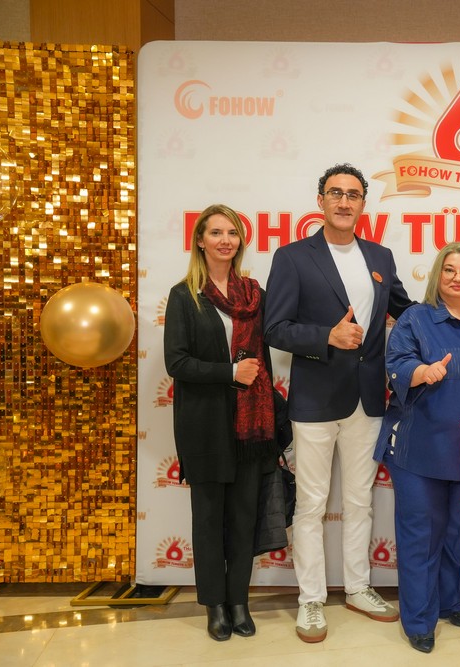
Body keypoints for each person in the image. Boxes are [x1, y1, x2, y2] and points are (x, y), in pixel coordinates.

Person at [264, 163, 411, 642]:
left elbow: (406, 312)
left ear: (363, 204)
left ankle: (358, 587)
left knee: (359, 501)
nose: (344, 202)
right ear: (321, 201)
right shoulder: (292, 257)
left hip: (368, 399)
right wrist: (326, 336)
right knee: (310, 505)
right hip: (315, 400)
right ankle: (310, 599)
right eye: (335, 193)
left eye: (353, 194)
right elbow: (275, 329)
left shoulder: (381, 256)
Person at [373, 243, 460, 653]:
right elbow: (396, 363)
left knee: (457, 531)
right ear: (438, 275)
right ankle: (419, 620)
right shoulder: (416, 318)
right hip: (420, 447)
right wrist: (423, 370)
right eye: (449, 269)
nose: (458, 277)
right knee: (421, 535)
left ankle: (451, 600)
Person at [164, 204, 280, 641]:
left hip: (251, 427)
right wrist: (230, 372)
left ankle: (238, 602)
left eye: (232, 233)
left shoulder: (254, 293)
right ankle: (214, 604)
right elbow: (177, 362)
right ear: (200, 240)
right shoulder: (184, 296)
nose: (225, 240)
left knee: (244, 517)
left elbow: (266, 355)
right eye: (216, 232)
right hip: (204, 425)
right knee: (209, 519)